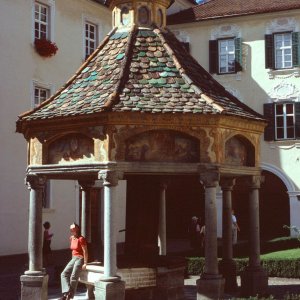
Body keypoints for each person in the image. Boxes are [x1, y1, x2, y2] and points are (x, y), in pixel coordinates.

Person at [60, 223, 88, 300]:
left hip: (80, 258)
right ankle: (67, 292)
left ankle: (69, 297)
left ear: (77, 229)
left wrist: (85, 263)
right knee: (63, 274)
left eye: (73, 228)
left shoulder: (81, 239)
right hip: (73, 258)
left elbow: (85, 251)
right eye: (71, 229)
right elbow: (73, 250)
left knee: (73, 276)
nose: (72, 230)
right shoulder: (71, 238)